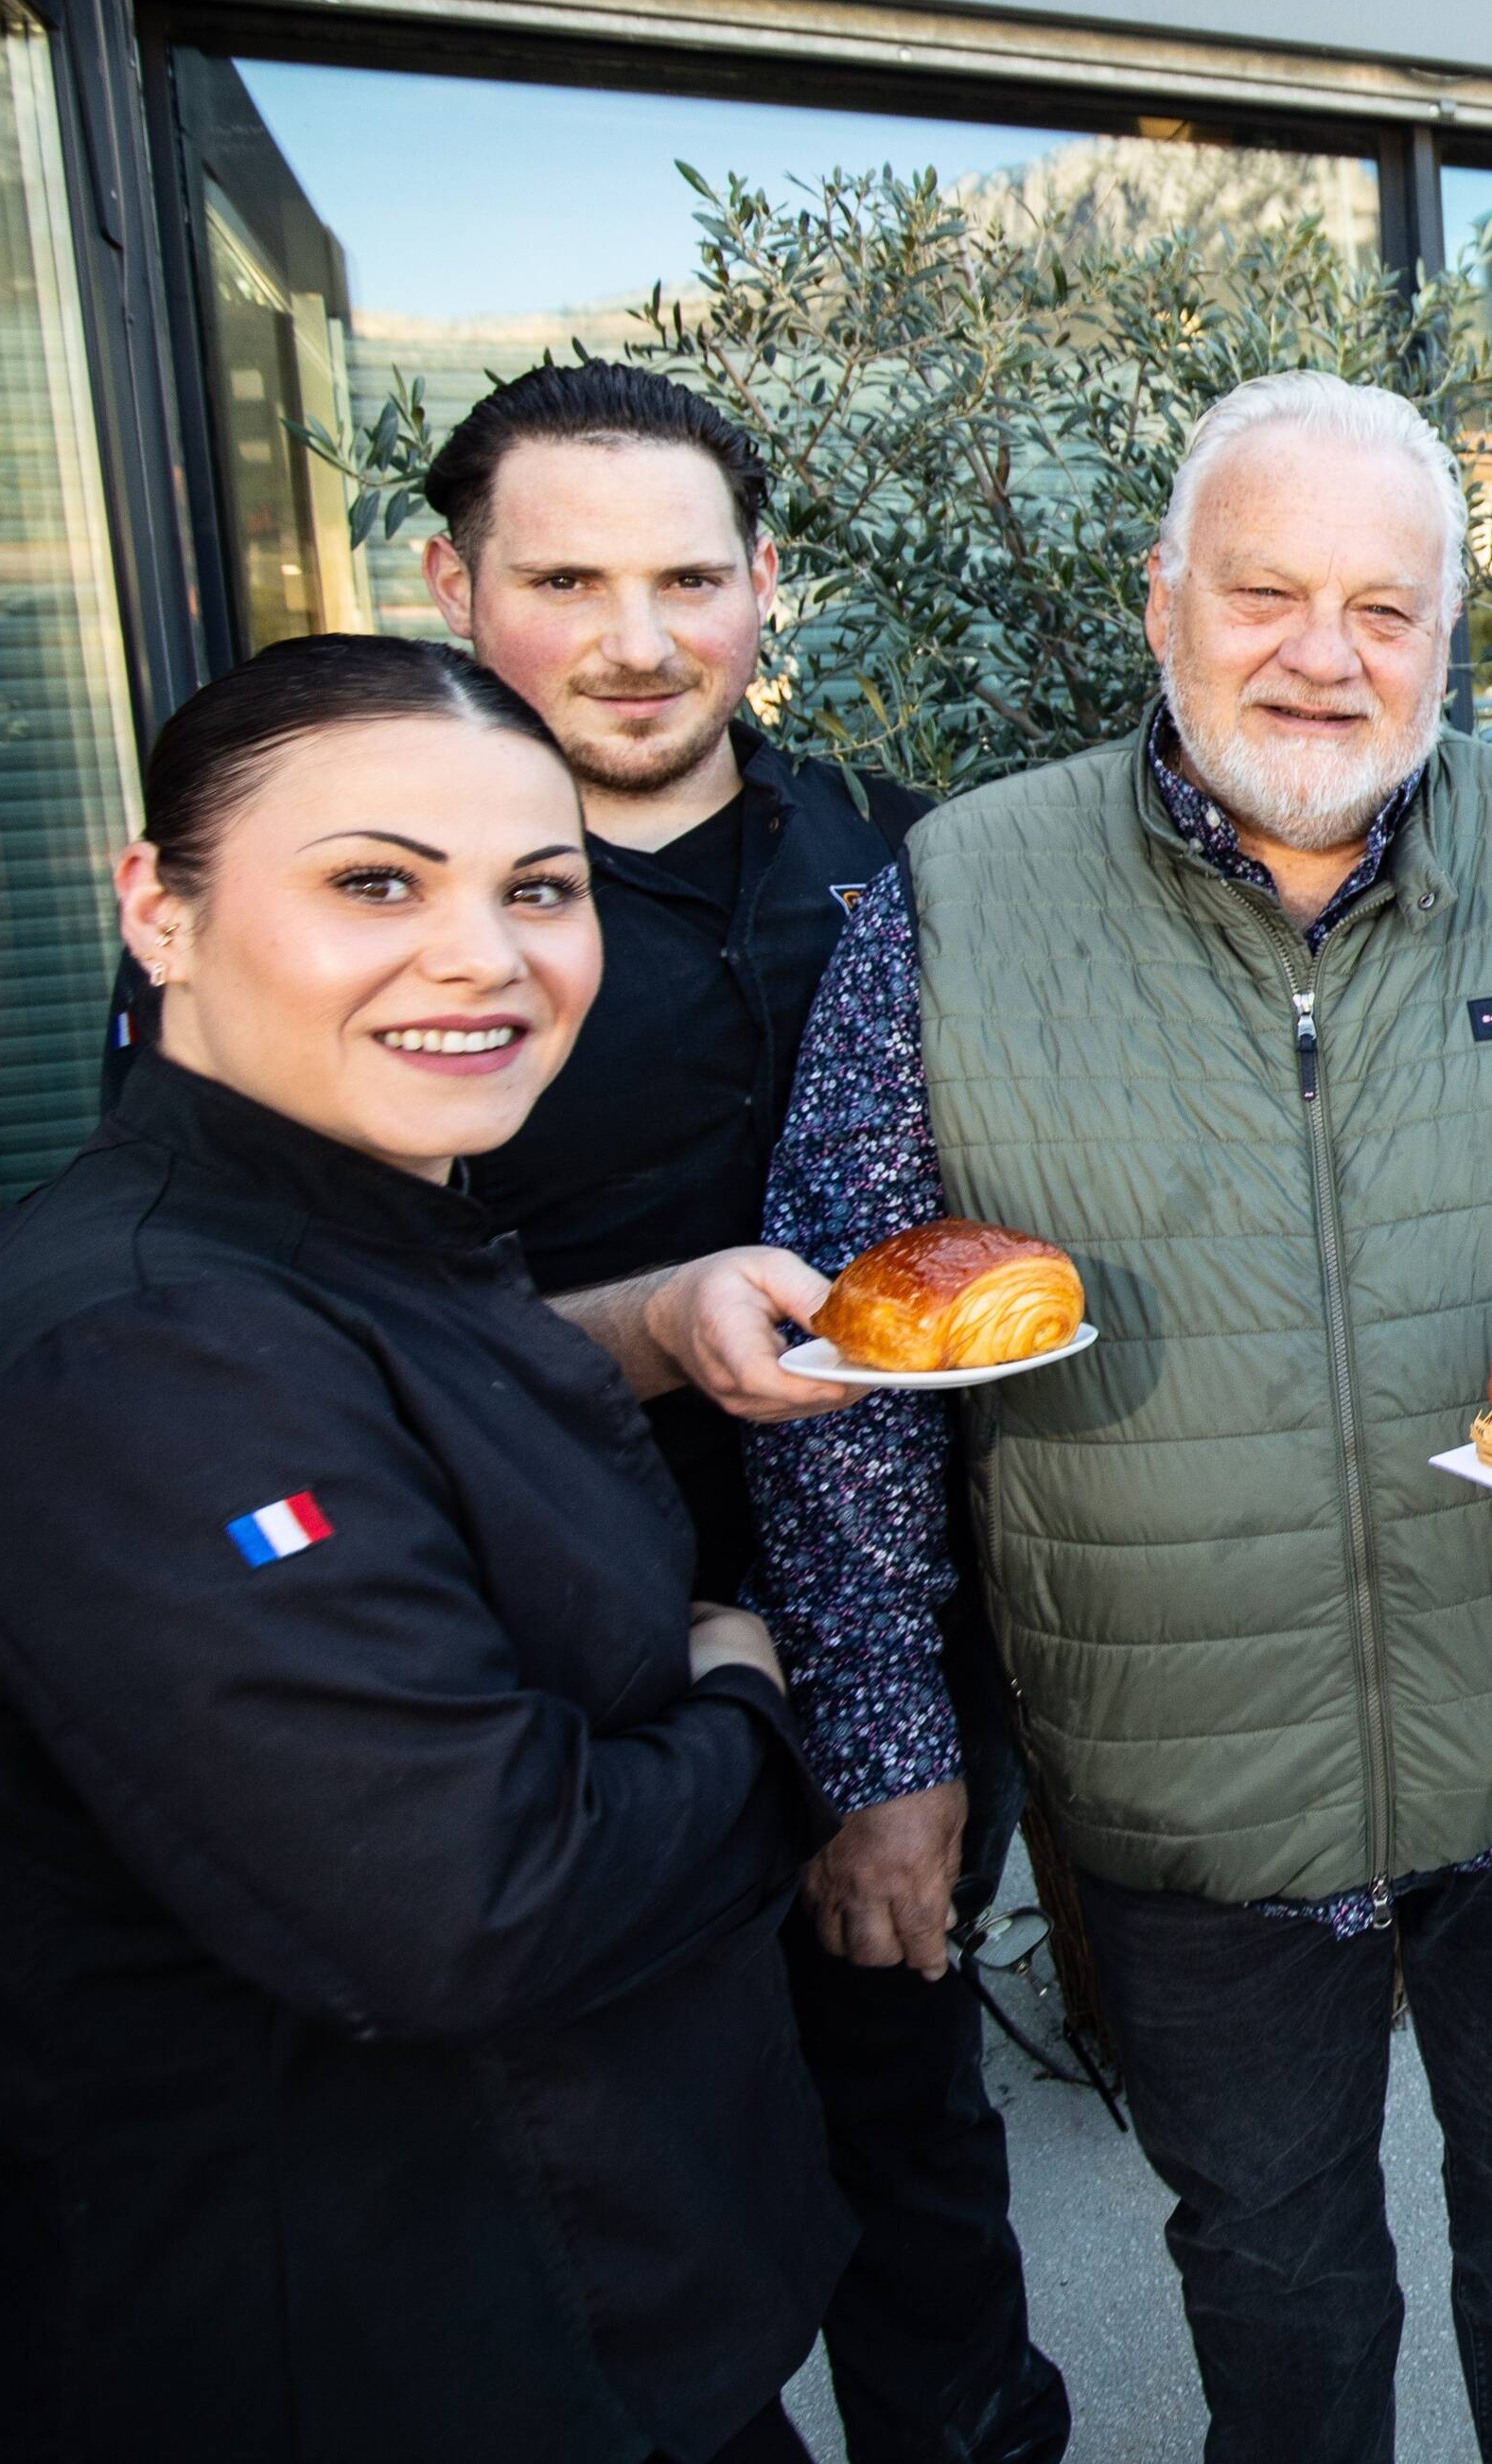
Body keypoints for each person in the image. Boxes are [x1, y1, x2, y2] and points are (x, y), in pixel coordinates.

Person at [747, 371, 1492, 2464]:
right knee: (1269, 2254)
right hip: (1180, 1772)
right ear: (1164, 602)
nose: (1322, 653)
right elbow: (845, 1365)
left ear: (1447, 631)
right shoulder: (955, 902)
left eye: (1383, 606)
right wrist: (886, 1749)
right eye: (1264, 590)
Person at [0, 635, 849, 2464]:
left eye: (540, 889)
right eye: (374, 881)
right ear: (158, 903)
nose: (479, 954)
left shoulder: (362, 1239)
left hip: (555, 2307)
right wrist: (744, 1703)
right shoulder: (140, 1366)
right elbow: (473, 1898)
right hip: (373, 2351)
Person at [419, 362, 1070, 2464]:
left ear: (764, 585)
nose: (634, 638)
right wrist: (649, 1325)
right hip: (539, 1673)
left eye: (688, 573)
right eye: (564, 578)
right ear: (452, 584)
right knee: (600, 2200)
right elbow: (290, 1334)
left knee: (910, 2117)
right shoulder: (376, 916)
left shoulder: (904, 860)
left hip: (900, 1622)